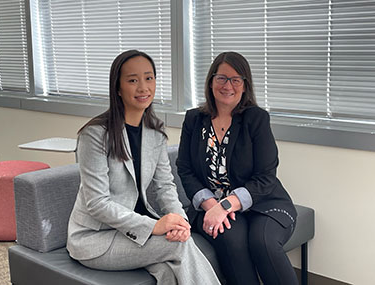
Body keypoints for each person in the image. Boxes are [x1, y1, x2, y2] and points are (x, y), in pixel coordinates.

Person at [67, 50, 220, 285]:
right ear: (117, 88)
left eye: (149, 78)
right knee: (179, 247)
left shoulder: (155, 133)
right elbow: (97, 204)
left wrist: (180, 221)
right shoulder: (95, 135)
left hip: (133, 232)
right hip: (96, 239)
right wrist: (155, 225)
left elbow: (165, 187)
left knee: (170, 272)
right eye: (132, 80)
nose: (143, 87)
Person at [176, 51, 298, 285]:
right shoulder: (194, 119)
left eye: (236, 79)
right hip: (211, 205)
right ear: (211, 81)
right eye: (221, 78)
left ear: (244, 85)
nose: (228, 85)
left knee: (262, 243)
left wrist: (225, 205)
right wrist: (212, 205)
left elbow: (266, 176)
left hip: (264, 203)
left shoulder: (256, 119)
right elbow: (185, 169)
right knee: (231, 239)